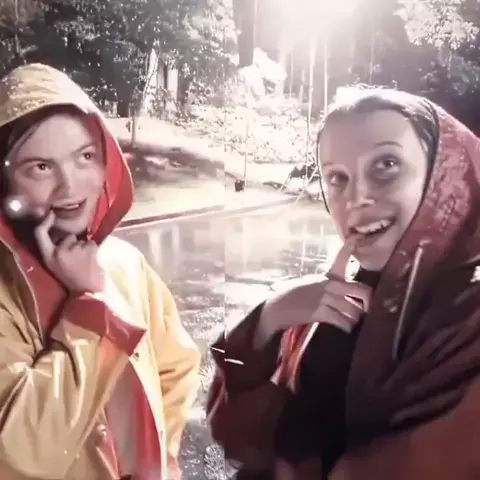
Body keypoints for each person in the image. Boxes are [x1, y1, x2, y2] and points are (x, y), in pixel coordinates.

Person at [207, 85, 480, 479]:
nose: (357, 198)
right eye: (337, 177)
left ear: (442, 175)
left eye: (386, 165)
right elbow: (240, 441)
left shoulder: (469, 312)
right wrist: (267, 320)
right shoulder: (323, 306)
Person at [0, 63, 201, 480]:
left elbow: (176, 366)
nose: (70, 187)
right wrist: (89, 310)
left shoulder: (123, 263)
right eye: (40, 167)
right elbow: (20, 449)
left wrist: (158, 462)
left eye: (85, 157)